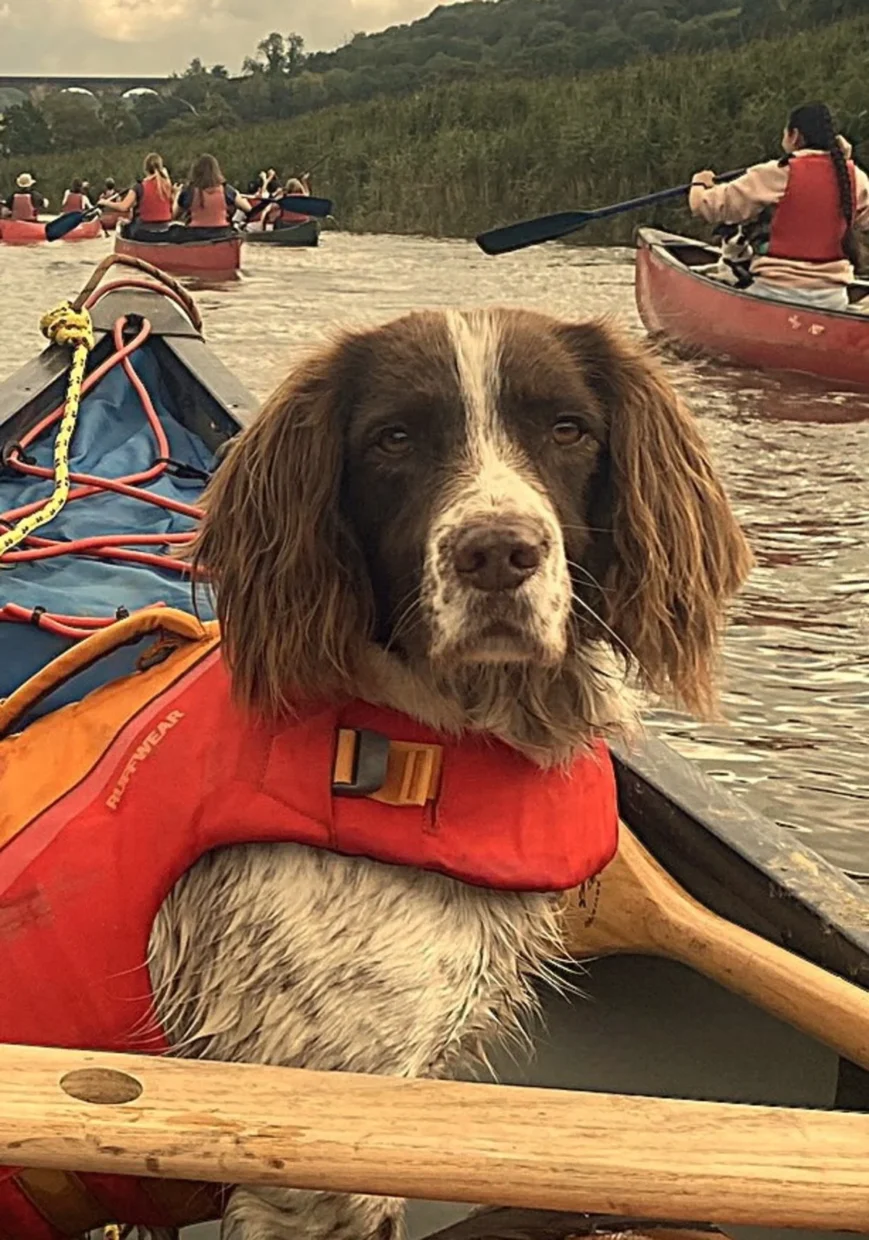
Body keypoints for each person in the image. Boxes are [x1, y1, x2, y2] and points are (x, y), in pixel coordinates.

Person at [689, 101, 869, 312]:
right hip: (832, 299)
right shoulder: (854, 178)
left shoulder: (776, 173)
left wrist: (699, 183)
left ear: (794, 135)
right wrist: (844, 158)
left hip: (774, 293)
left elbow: (707, 207)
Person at [174, 153, 251, 241]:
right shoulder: (227, 190)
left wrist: (176, 194)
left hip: (195, 235)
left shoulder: (188, 191)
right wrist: (238, 195)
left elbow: (174, 215)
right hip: (222, 235)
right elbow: (248, 209)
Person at [99, 152, 174, 241]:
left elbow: (123, 207)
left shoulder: (139, 187)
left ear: (145, 169)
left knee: (121, 224)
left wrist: (105, 202)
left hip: (144, 231)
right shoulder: (167, 186)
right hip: (165, 229)